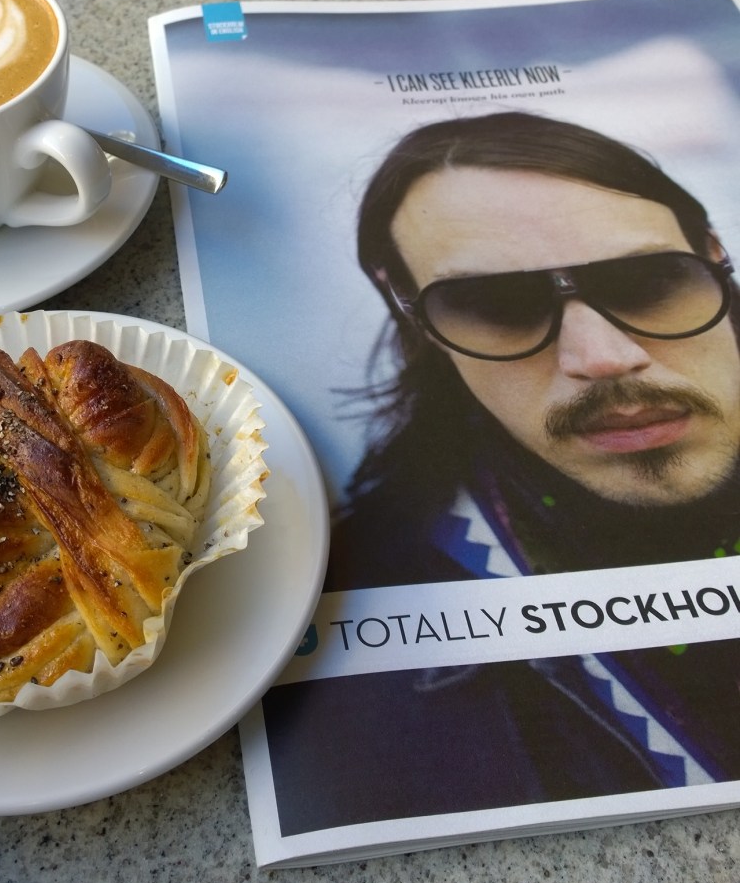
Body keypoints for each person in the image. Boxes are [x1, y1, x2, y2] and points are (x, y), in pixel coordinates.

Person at [260, 112, 740, 834]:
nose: (602, 356)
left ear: (714, 256)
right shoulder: (340, 608)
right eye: (498, 304)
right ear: (416, 320)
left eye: (647, 281)